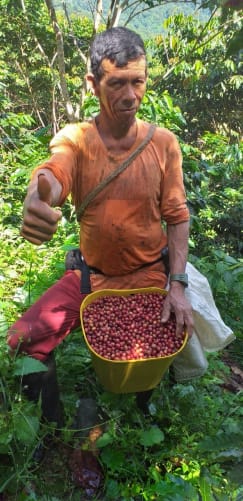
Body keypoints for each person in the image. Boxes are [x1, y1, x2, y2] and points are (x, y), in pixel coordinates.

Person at [7, 27, 194, 423]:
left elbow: (177, 216)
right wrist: (37, 196)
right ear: (93, 84)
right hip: (93, 277)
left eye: (138, 82)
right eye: (117, 84)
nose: (130, 96)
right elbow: (55, 171)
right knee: (26, 338)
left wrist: (177, 284)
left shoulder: (164, 145)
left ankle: (145, 408)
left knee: (158, 340)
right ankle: (51, 425)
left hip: (149, 274)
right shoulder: (77, 140)